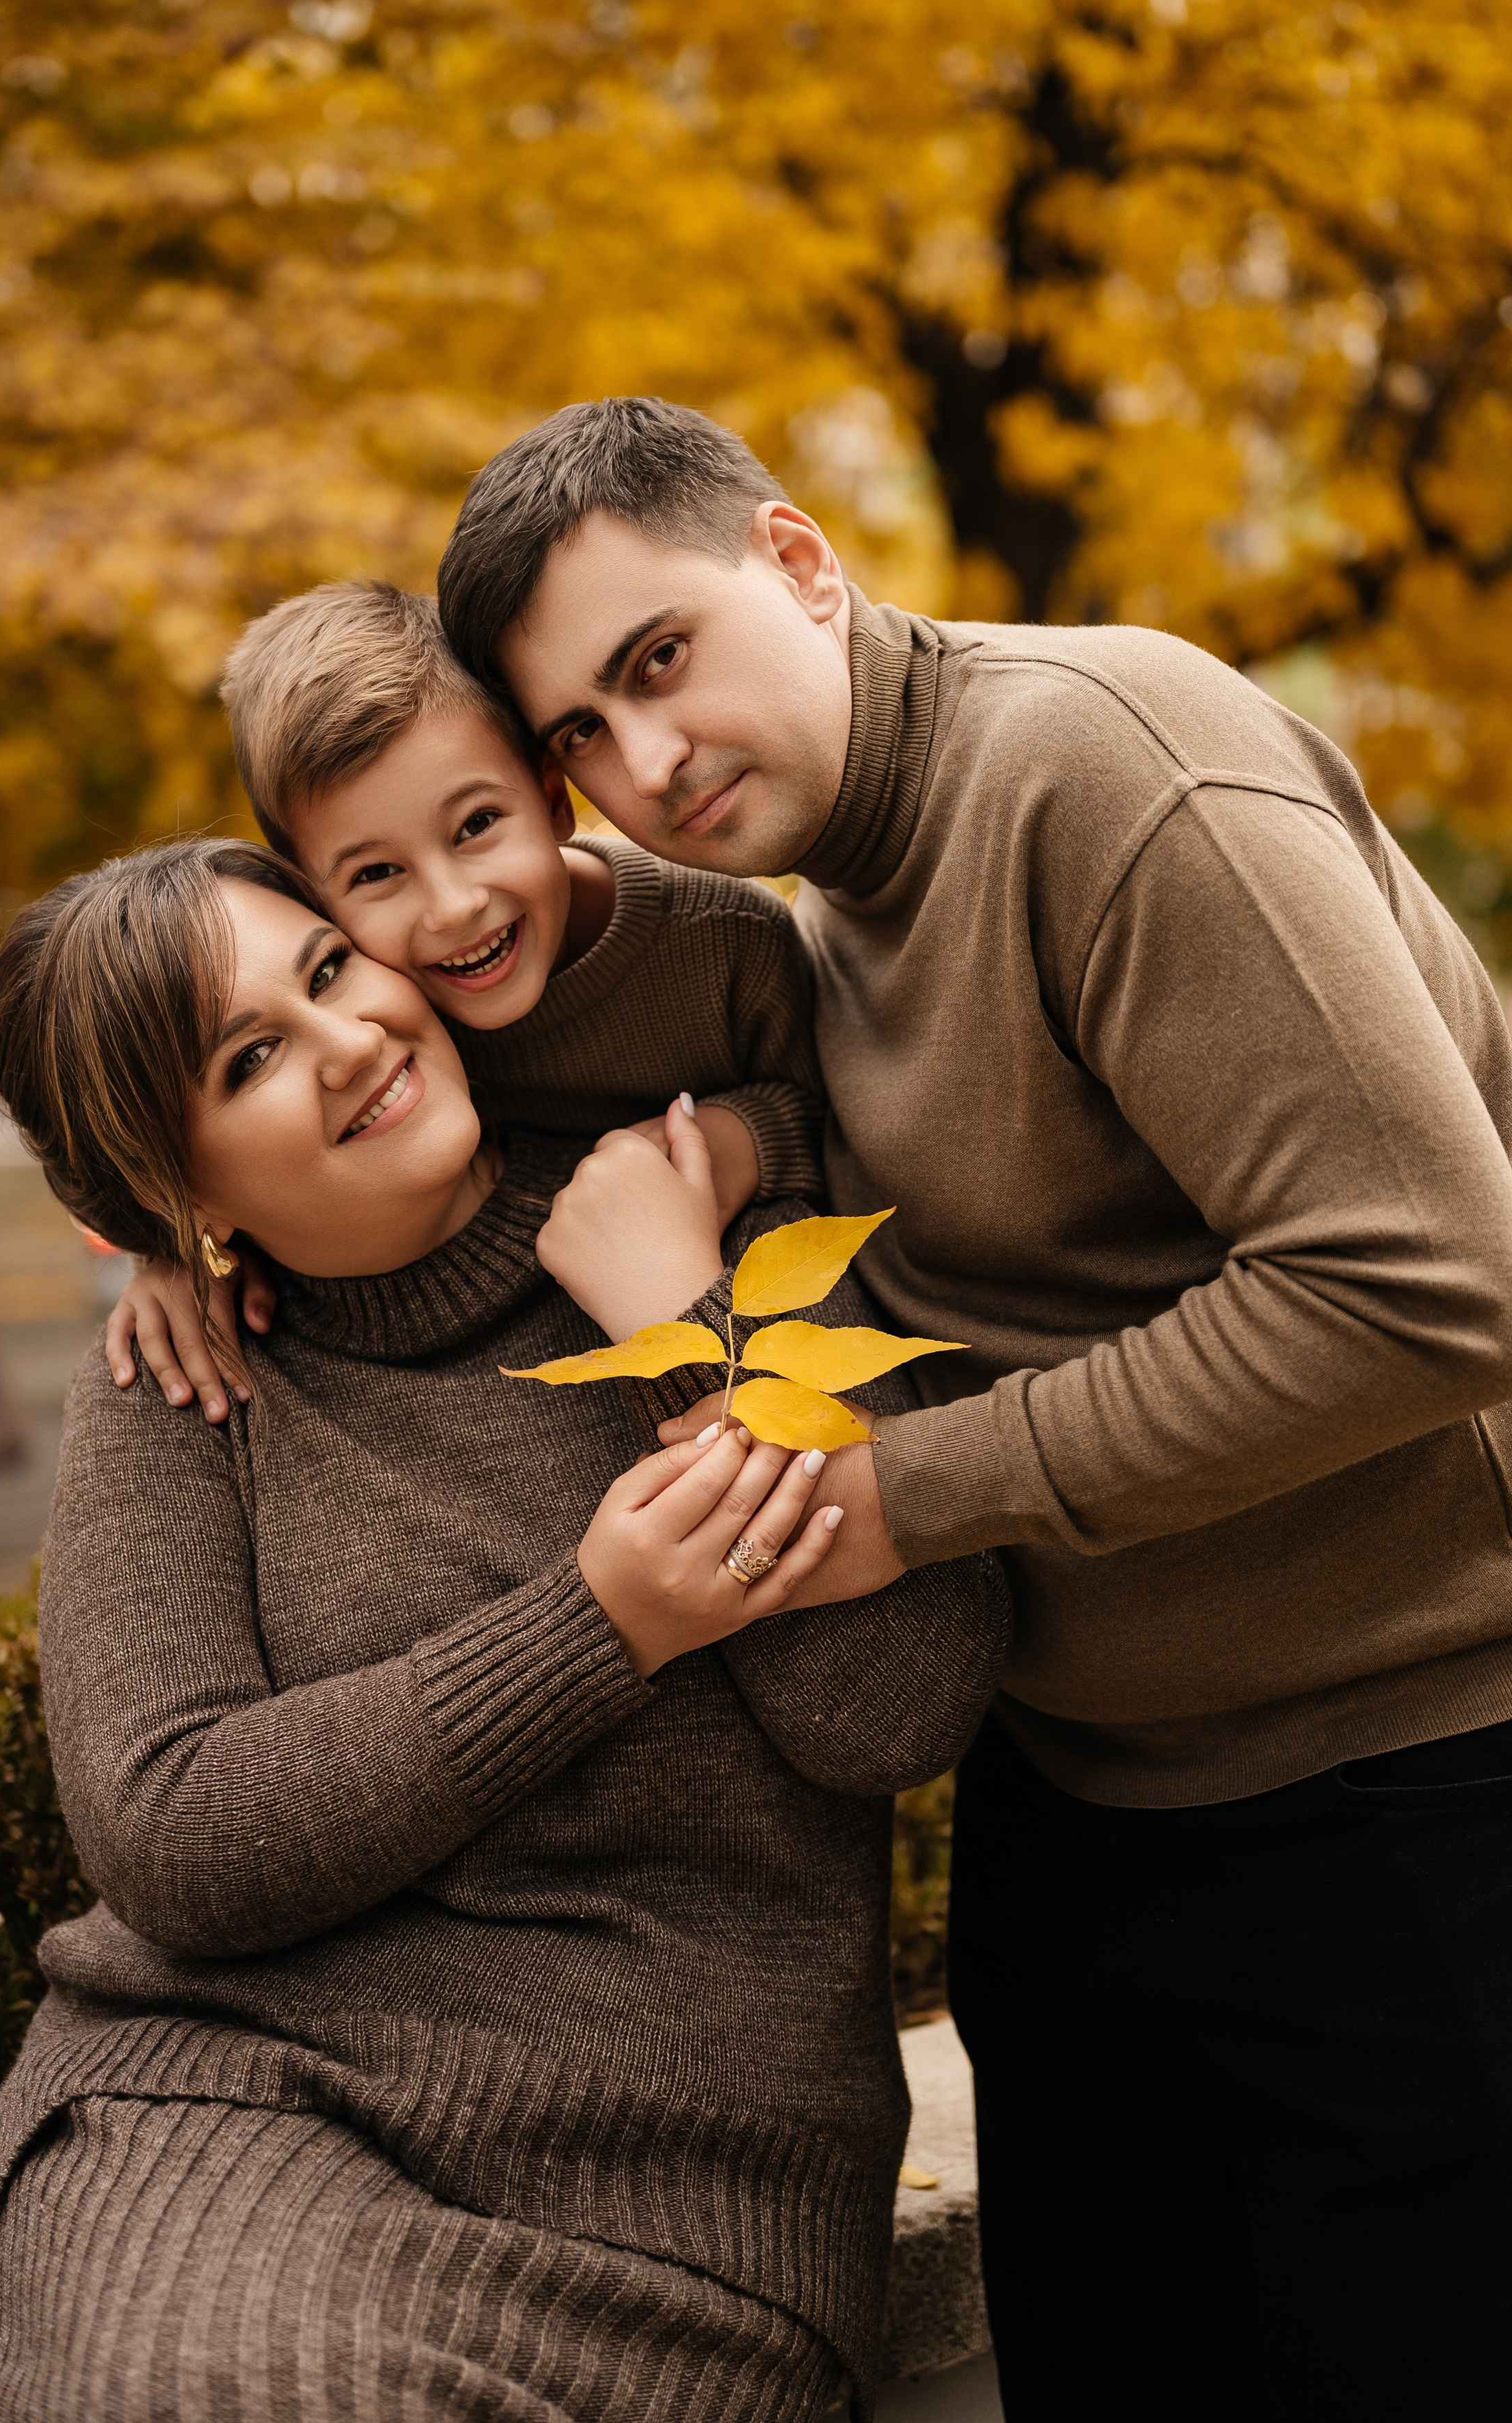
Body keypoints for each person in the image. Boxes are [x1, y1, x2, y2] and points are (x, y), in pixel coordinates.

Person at [432, 395, 1512, 2423]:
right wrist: (190, 1214)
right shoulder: (818, 882)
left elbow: (1427, 1278)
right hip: (1084, 1818)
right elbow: (435, 988)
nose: (641, 762)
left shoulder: (1102, 760)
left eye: (656, 659)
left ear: (798, 561)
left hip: (1401, 1803)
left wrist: (907, 1494)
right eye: (577, 734)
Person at [0, 834, 1008, 2423]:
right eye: (251, 1056)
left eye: (327, 967)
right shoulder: (180, 1390)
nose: (348, 1036)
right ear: (180, 1196)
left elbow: (897, 1703)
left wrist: (681, 1330)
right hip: (220, 2109)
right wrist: (597, 1625)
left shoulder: (702, 1226)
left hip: (695, 2198)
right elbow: (166, 1826)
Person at [104, 579, 821, 1422]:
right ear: (316, 898)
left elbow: (844, 1121)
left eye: (477, 824)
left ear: (554, 797)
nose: (451, 908)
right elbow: (264, 1159)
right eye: (376, 874)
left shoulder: (728, 940)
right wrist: (173, 1259)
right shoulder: (387, 1005)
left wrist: (728, 1143)